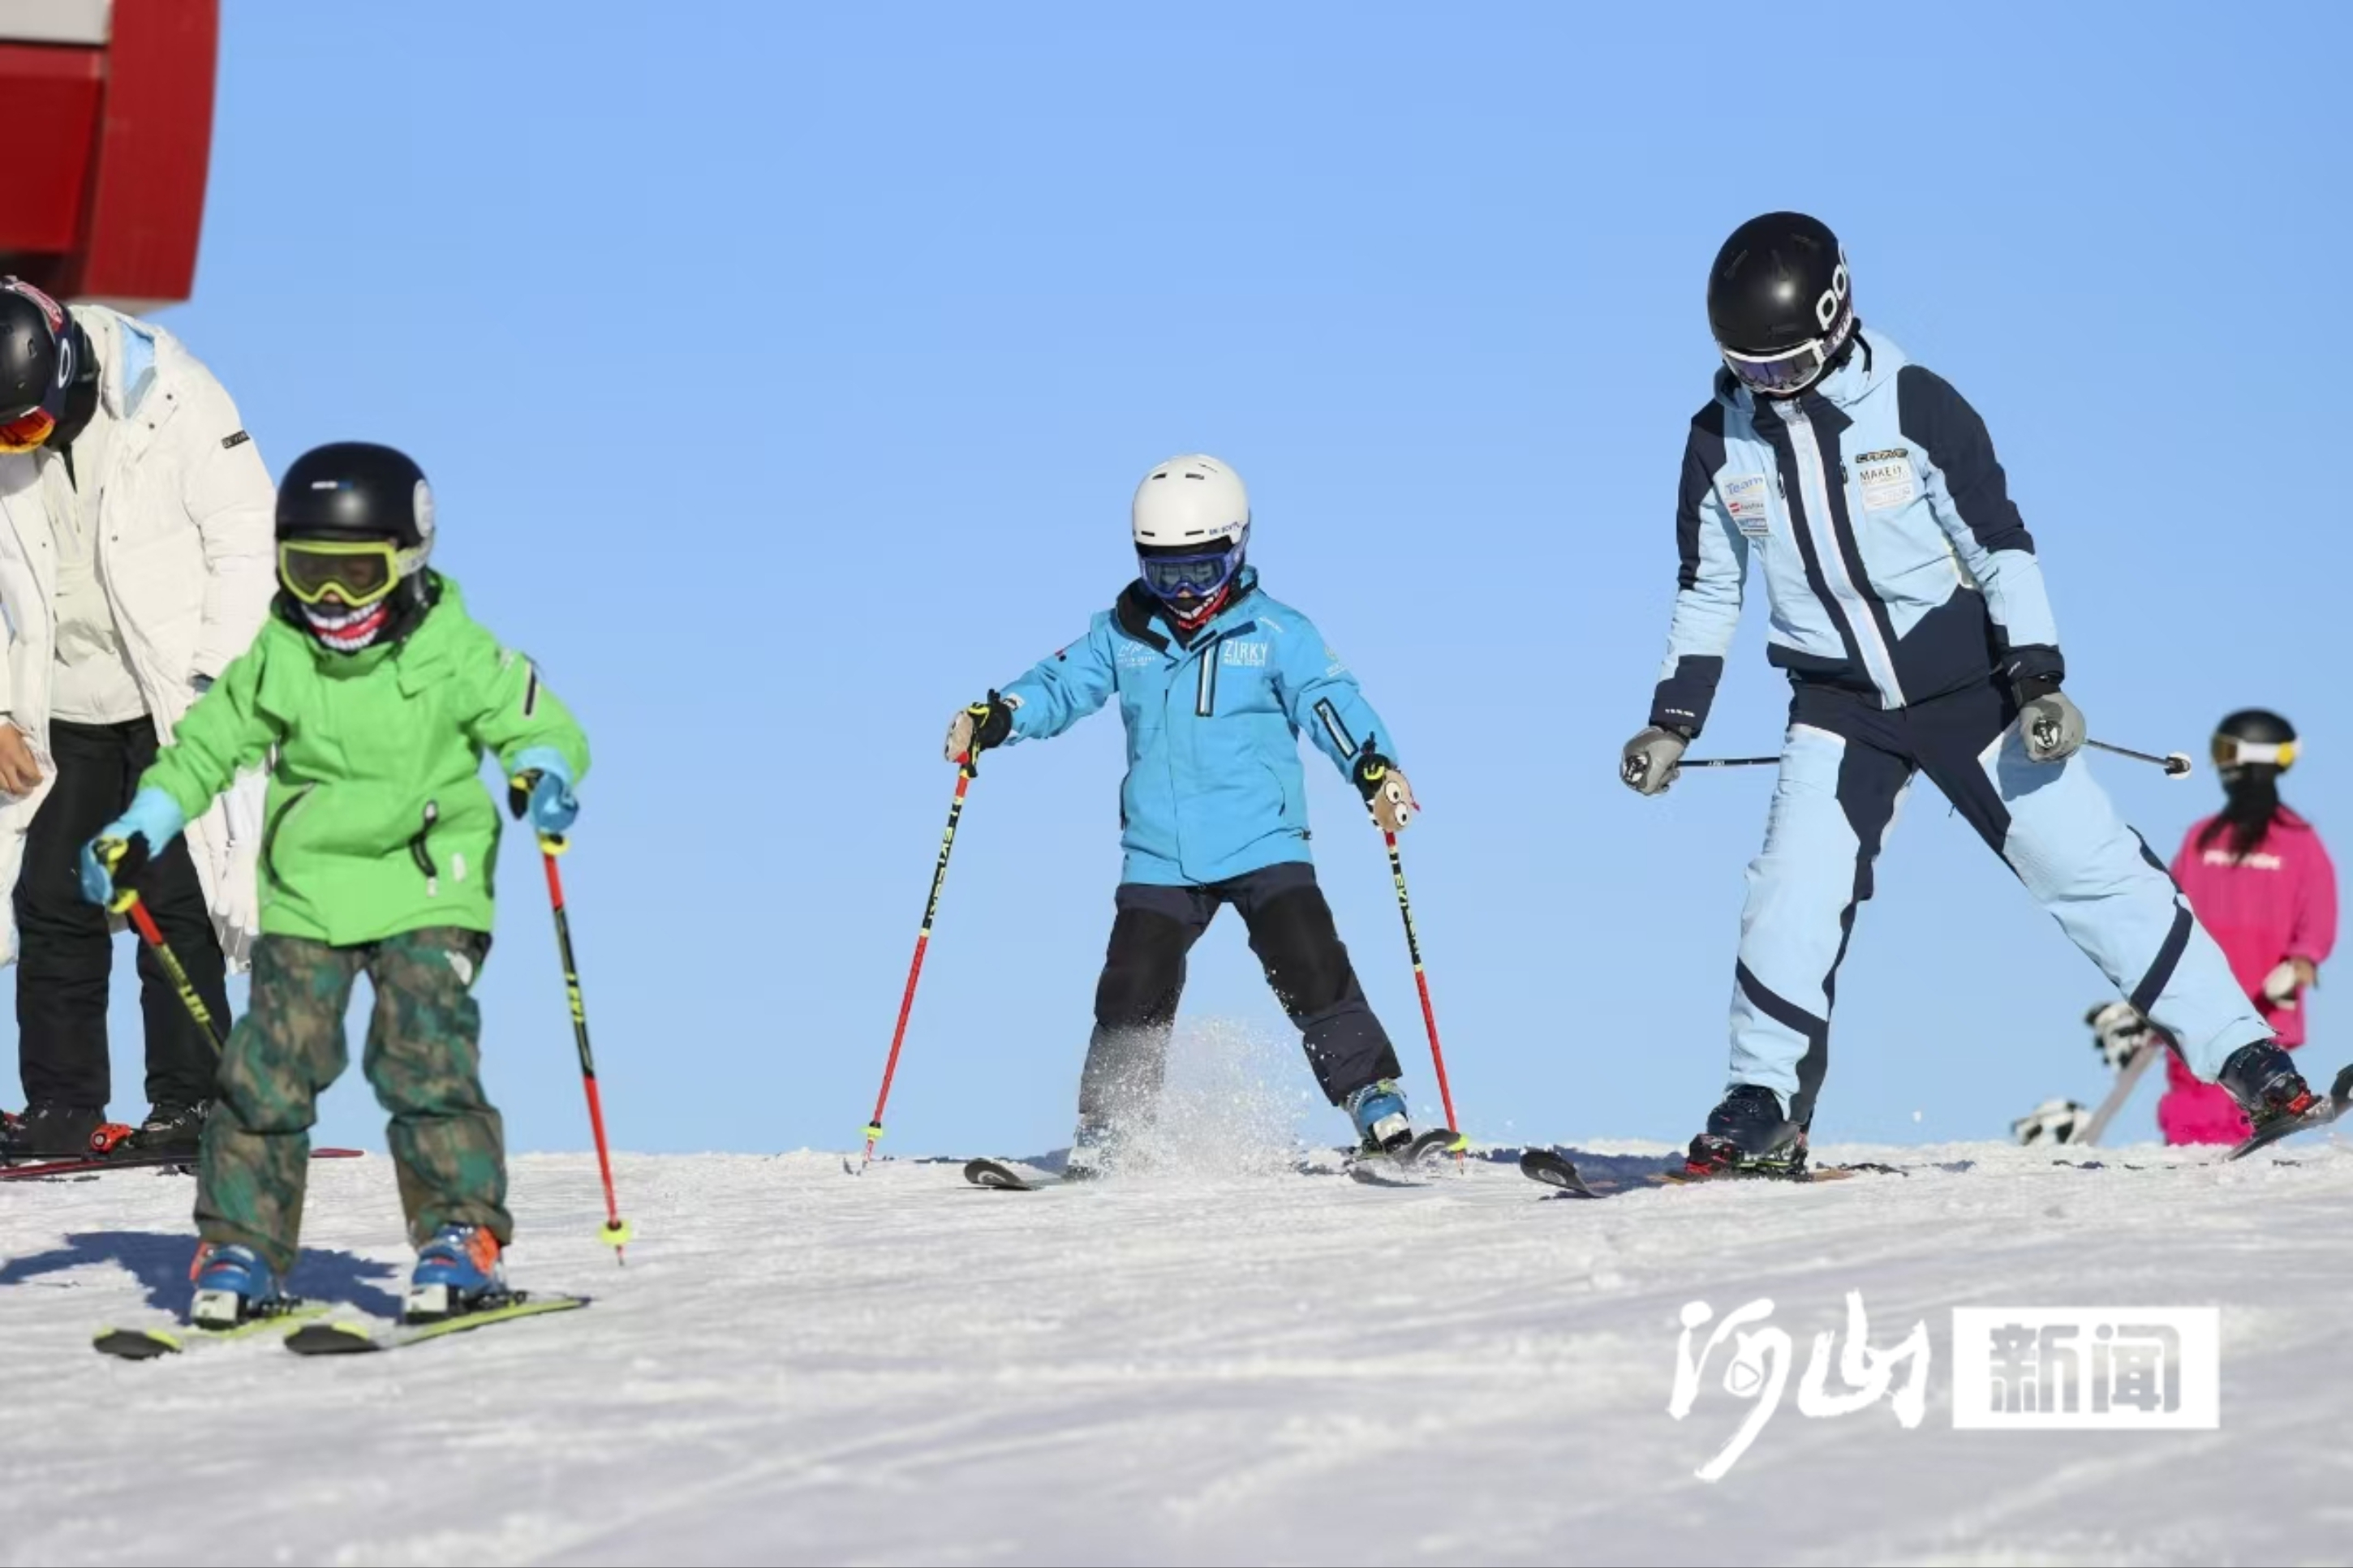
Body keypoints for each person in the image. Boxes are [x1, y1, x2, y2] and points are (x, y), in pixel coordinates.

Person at [1622, 213, 2315, 1176]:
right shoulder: (1717, 438)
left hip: (1970, 688)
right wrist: (1672, 718)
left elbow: (1997, 546)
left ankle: (2250, 1062)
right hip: (1836, 703)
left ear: (1834, 321)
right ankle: (1762, 1101)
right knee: (1789, 890)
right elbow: (1707, 587)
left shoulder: (1914, 404)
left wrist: (2038, 679)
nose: (1767, 386)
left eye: (1786, 367)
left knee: (2087, 868)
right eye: (1747, 368)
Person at [77, 442, 590, 1327]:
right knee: (268, 1071)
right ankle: (240, 1246)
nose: (331, 600)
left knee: (421, 1054)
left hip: (428, 887)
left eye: (357, 575)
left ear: (410, 560)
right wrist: (142, 823)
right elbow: (204, 748)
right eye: (307, 572)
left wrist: (543, 770)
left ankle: (460, 1235)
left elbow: (534, 719)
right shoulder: (282, 654)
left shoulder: (455, 650)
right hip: (311, 894)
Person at [947, 454, 1425, 1175]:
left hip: (1262, 840)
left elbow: (1330, 701)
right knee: (1131, 986)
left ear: (1238, 548)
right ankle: (1114, 1133)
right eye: (1164, 573)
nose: (1183, 592)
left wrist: (1374, 769)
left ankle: (1376, 1104)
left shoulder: (1277, 631)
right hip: (1162, 851)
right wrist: (1002, 716)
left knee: (1312, 961)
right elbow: (1060, 684)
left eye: (1202, 570)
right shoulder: (1125, 634)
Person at [0, 277, 272, 1158]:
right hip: (64, 697)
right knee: (51, 893)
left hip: (173, 694)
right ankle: (61, 1106)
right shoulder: (10, 419)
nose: (17, 446)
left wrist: (214, 677)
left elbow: (247, 537)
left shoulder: (177, 400)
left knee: (171, 891)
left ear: (67, 372)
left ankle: (194, 1102)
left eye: (26, 429)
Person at [2134, 711, 2334, 1144]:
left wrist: (2301, 963)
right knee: (2194, 1082)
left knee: (2260, 1081)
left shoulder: (2299, 842)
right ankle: (2193, 1151)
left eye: (2227, 752)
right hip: (2196, 992)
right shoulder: (2203, 838)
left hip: (2264, 998)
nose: (2220, 765)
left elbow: (2319, 915)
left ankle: (2245, 1144)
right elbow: (2167, 906)